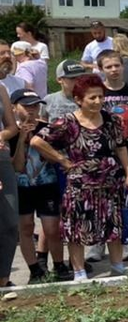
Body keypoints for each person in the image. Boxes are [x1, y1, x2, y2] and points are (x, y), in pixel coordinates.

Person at [31, 75, 128, 280]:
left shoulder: (111, 119)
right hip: (80, 185)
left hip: (110, 182)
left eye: (100, 97)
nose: (97, 102)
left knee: (113, 224)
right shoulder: (68, 122)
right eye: (92, 98)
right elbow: (36, 141)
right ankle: (79, 271)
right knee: (76, 229)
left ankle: (117, 266)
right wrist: (63, 160)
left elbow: (121, 146)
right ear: (79, 99)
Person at [11, 88, 67, 282]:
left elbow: (54, 160)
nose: (31, 111)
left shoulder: (47, 128)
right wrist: (20, 139)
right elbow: (17, 166)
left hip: (47, 184)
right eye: (26, 107)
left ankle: (59, 265)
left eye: (35, 106)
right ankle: (34, 270)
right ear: (14, 108)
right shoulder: (10, 132)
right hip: (22, 186)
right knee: (25, 227)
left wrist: (38, 142)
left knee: (52, 228)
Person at [0, 83, 21, 288]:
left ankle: (3, 279)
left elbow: (11, 127)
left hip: (2, 159)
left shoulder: (1, 89)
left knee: (9, 222)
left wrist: (2, 135)